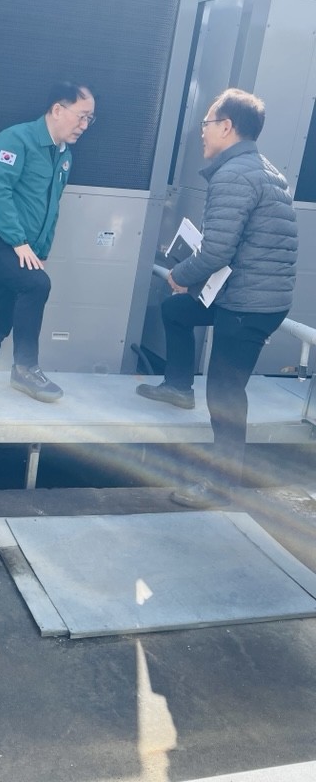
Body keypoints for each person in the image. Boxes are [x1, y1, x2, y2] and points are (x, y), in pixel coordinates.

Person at [136, 88, 298, 507]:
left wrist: (180, 274)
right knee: (176, 310)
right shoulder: (262, 169)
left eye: (207, 123)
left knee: (225, 394)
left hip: (247, 305)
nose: (202, 131)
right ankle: (178, 386)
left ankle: (222, 485)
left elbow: (217, 251)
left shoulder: (235, 175)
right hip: (253, 296)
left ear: (227, 127)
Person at [0, 82, 95, 401]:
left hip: (24, 249)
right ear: (57, 109)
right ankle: (25, 369)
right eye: (81, 116)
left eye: (89, 119)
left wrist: (41, 251)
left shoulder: (64, 156)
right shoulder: (16, 139)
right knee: (37, 285)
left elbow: (52, 207)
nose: (84, 125)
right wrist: (19, 242)